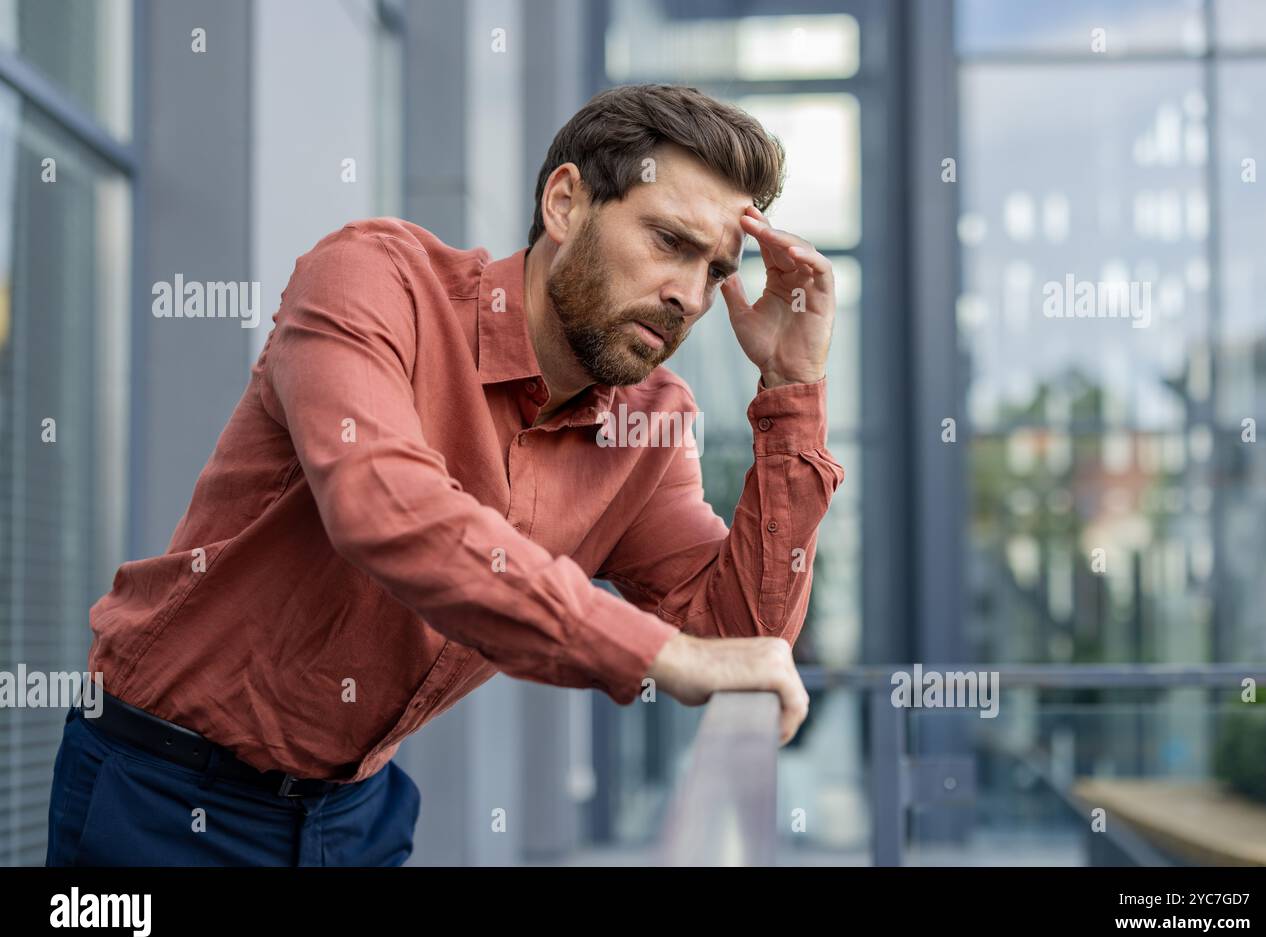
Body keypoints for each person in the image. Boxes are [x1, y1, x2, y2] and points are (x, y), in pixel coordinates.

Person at [46, 83, 844, 866]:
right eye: (669, 241)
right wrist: (659, 655)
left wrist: (790, 388)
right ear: (565, 203)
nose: (687, 295)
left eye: (715, 270)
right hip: (163, 792)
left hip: (357, 812)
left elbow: (741, 646)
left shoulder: (648, 422)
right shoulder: (374, 279)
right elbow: (383, 507)